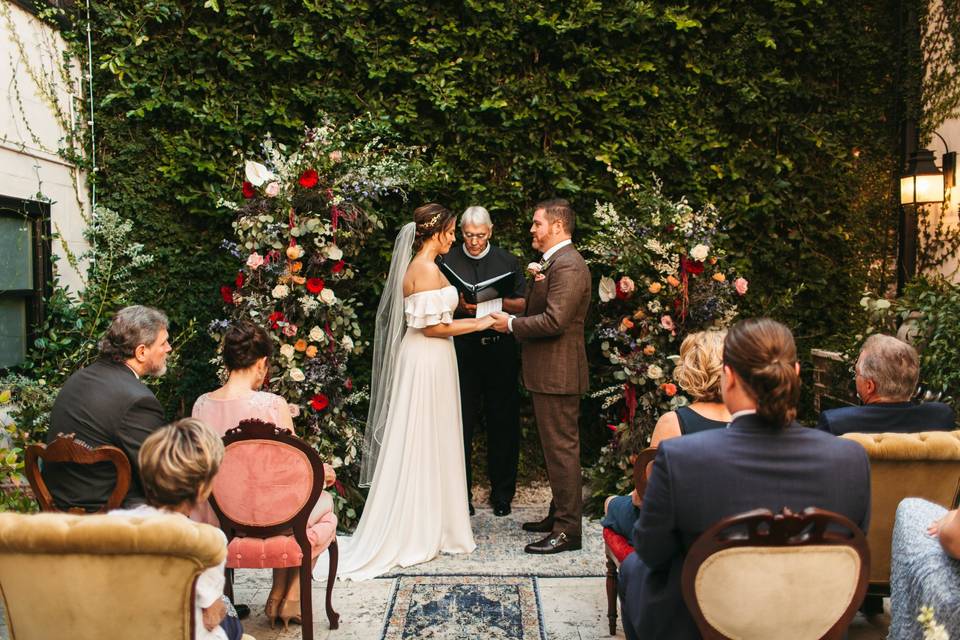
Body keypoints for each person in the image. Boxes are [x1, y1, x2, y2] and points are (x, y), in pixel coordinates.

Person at [618, 318, 871, 640]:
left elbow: (652, 552)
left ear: (729, 377)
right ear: (794, 374)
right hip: (810, 624)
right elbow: (852, 556)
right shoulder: (851, 459)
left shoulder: (682, 459)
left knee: (633, 568)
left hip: (705, 626)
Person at [330, 203, 495, 581]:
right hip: (426, 359)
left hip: (435, 360)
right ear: (435, 232)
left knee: (434, 436)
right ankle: (420, 527)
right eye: (451, 231)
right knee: (421, 436)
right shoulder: (422, 269)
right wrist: (481, 323)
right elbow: (433, 329)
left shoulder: (429, 268)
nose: (454, 238)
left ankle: (439, 524)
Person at [191, 321, 336, 627]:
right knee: (321, 506)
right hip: (271, 517)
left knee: (293, 509)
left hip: (219, 517)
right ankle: (290, 597)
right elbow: (294, 474)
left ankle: (277, 595)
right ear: (260, 363)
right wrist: (324, 472)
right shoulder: (273, 405)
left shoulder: (201, 405)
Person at [491, 198, 592, 554]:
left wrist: (511, 325)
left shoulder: (569, 266)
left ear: (558, 227)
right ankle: (558, 513)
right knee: (555, 450)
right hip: (547, 372)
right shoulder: (555, 263)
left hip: (559, 374)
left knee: (562, 450)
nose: (532, 229)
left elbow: (555, 321)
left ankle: (568, 531)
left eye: (537, 224)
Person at [110, 418, 244, 640]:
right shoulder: (206, 541)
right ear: (202, 489)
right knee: (228, 613)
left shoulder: (113, 524)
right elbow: (210, 618)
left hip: (128, 629)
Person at [439, 205, 526, 517]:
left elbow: (524, 303)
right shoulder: (446, 259)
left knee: (503, 422)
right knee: (459, 422)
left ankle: (503, 494)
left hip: (499, 348)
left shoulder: (508, 260)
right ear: (461, 232)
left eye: (479, 235)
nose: (473, 241)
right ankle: (460, 495)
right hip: (462, 348)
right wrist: (461, 305)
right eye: (467, 235)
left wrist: (492, 302)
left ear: (490, 232)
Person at [602, 330, 730, 539]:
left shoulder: (674, 422)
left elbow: (647, 498)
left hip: (679, 536)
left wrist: (632, 497)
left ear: (689, 369)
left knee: (612, 503)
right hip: (736, 528)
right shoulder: (753, 420)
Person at [42, 305, 170, 511]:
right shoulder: (138, 401)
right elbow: (160, 476)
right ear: (141, 352)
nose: (168, 348)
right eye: (163, 343)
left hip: (59, 510)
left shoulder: (78, 378)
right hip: (110, 516)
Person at [816, 333, 955, 435]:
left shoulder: (835, 423)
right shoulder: (941, 417)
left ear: (870, 386)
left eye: (856, 372)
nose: (855, 377)